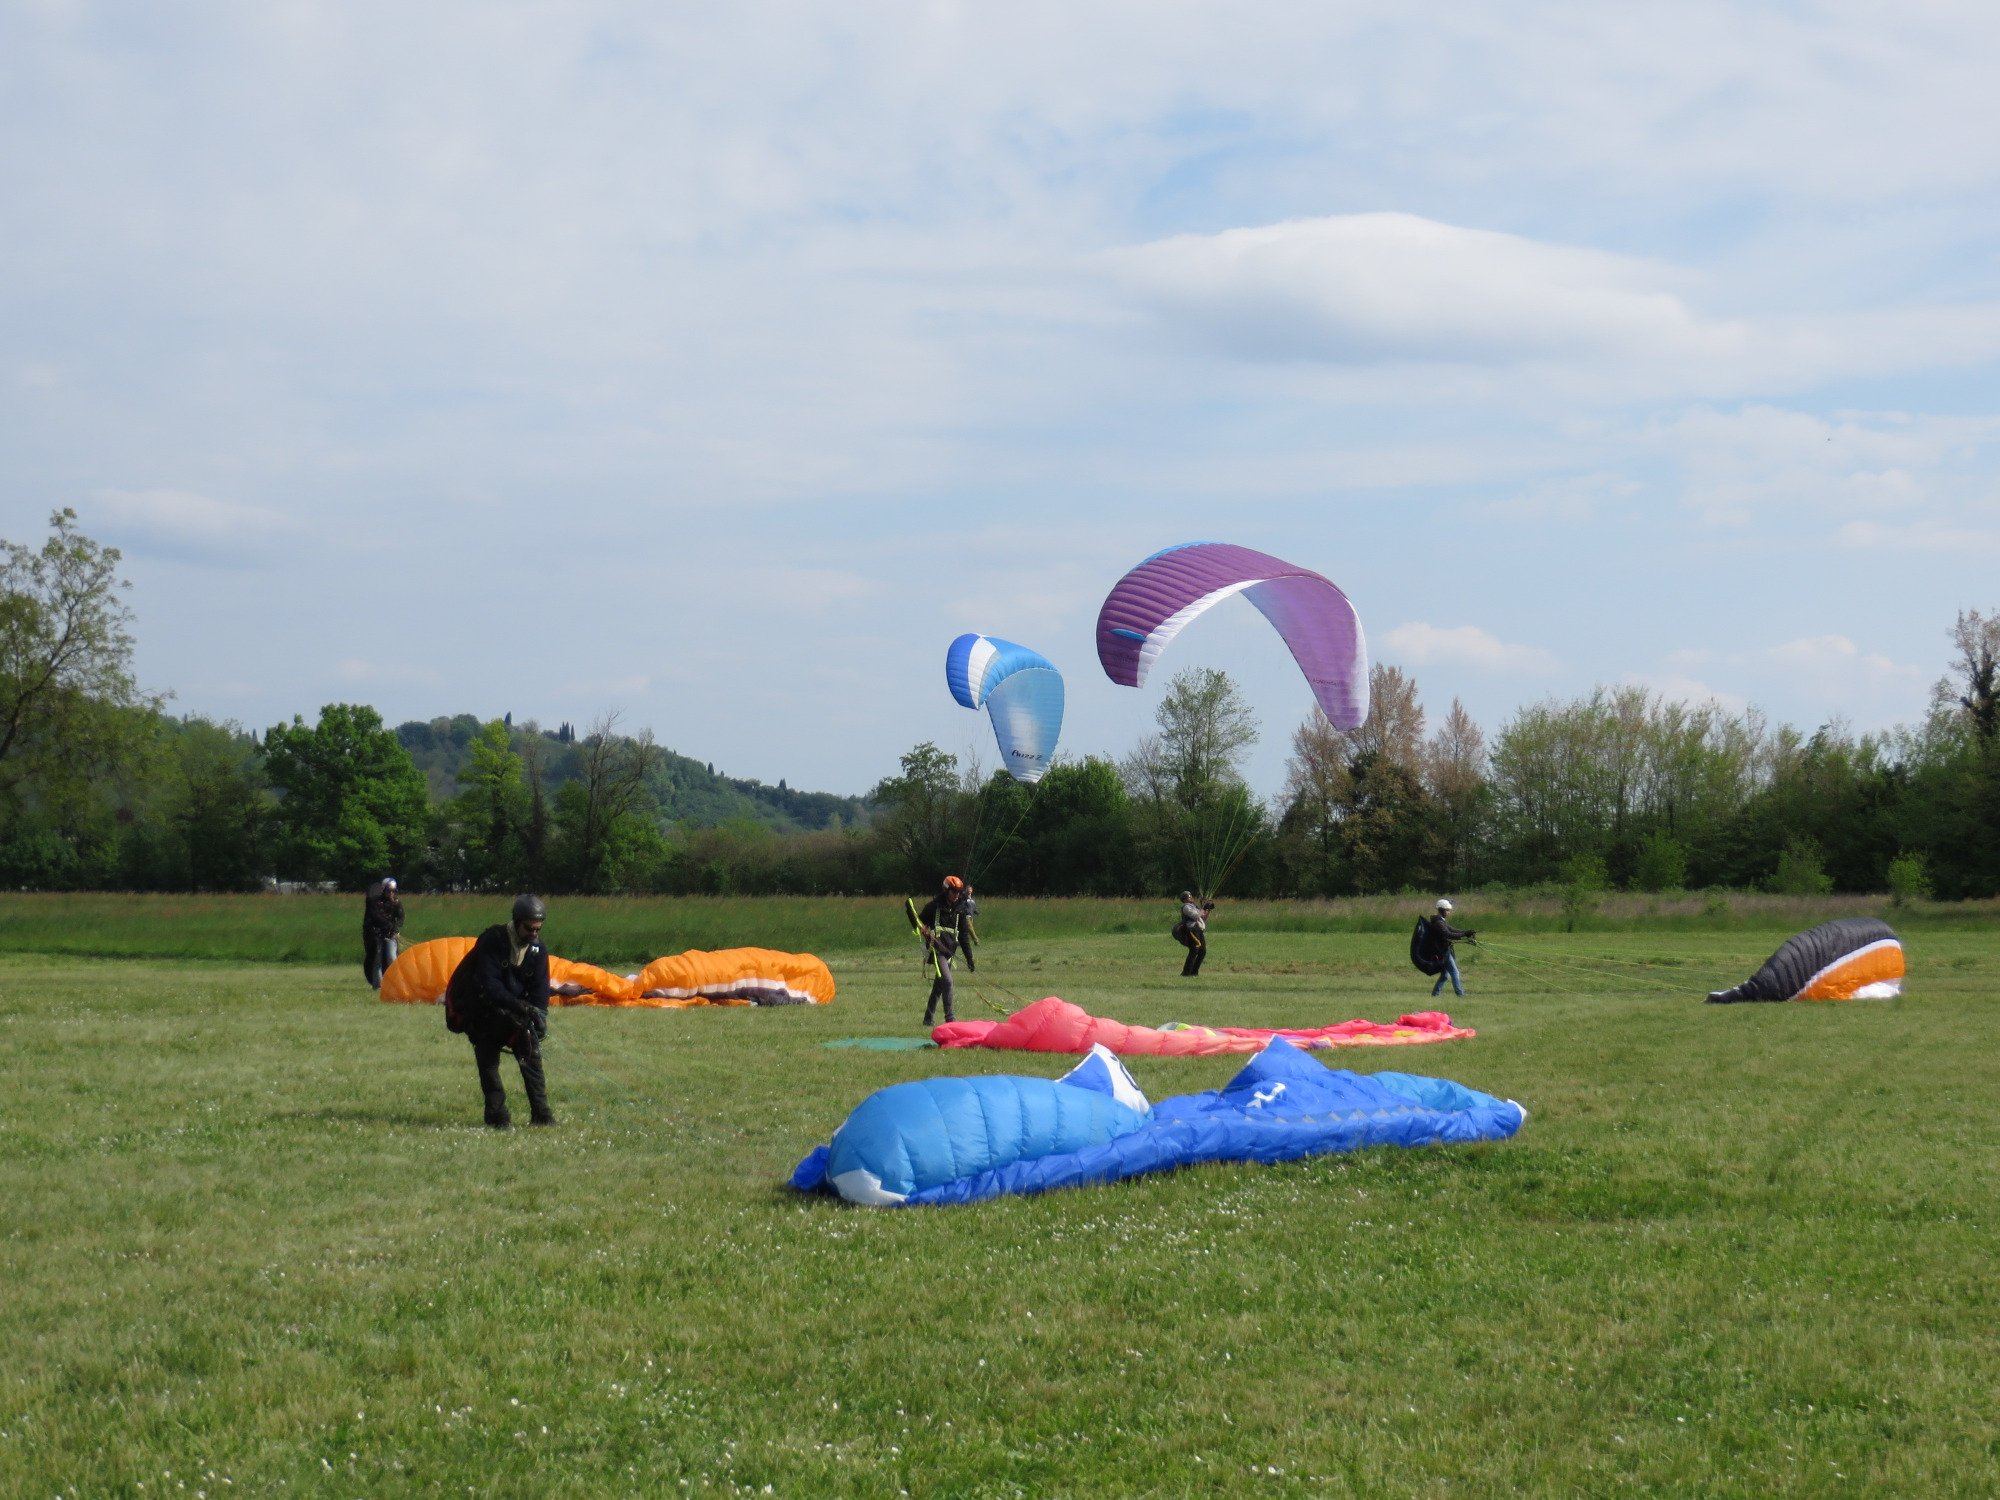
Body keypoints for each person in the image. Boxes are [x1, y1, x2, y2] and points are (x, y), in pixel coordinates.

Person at [447, 894, 555, 1129]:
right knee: (488, 1063)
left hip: (517, 1014)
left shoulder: (538, 950)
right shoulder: (493, 940)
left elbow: (540, 988)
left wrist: (540, 1016)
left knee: (532, 1060)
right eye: (529, 929)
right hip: (486, 1011)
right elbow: (489, 983)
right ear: (517, 922)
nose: (534, 934)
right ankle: (497, 1117)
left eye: (538, 929)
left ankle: (542, 1116)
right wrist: (518, 1005)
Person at [915, 875, 972, 1026]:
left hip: (950, 952)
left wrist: (969, 958)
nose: (956, 895)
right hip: (936, 950)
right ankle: (950, 1019)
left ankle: (928, 1019)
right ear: (946, 891)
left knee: (939, 986)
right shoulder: (934, 907)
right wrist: (924, 930)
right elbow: (919, 922)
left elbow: (964, 936)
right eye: (954, 891)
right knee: (947, 981)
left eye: (959, 892)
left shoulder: (960, 910)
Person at [1422, 898, 1478, 998]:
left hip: (1443, 950)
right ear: (1442, 910)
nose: (1448, 912)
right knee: (1454, 972)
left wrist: (1466, 932)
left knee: (1445, 974)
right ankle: (1460, 994)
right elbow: (1448, 934)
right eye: (1447, 910)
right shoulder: (1438, 923)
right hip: (1443, 951)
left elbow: (1451, 929)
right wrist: (1465, 934)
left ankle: (1435, 995)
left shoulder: (1440, 921)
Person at [361, 876, 404, 990]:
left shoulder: (396, 903)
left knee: (392, 958)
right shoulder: (376, 902)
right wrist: (387, 925)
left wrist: (395, 929)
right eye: (389, 890)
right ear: (384, 890)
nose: (391, 893)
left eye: (393, 891)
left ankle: (396, 984)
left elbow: (400, 918)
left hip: (390, 934)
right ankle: (378, 986)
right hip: (377, 934)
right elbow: (375, 917)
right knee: (377, 960)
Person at [1173, 890, 1214, 977]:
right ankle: (1186, 973)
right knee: (1194, 950)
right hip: (1192, 929)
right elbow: (1196, 916)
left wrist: (1208, 909)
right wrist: (1203, 907)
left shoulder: (1194, 906)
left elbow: (1204, 918)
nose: (1191, 897)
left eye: (1191, 896)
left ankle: (1194, 972)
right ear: (1185, 899)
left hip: (1199, 930)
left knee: (1202, 951)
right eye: (1189, 896)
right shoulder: (1186, 907)